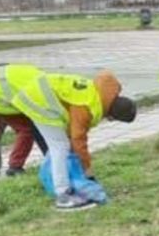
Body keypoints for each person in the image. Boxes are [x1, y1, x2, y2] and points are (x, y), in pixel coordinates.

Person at [11, 70, 137, 211]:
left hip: (37, 92)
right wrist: (88, 172)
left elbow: (72, 131)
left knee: (61, 144)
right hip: (37, 99)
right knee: (60, 146)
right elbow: (78, 140)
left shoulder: (104, 91)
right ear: (112, 115)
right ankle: (63, 196)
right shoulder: (86, 107)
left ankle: (58, 181)